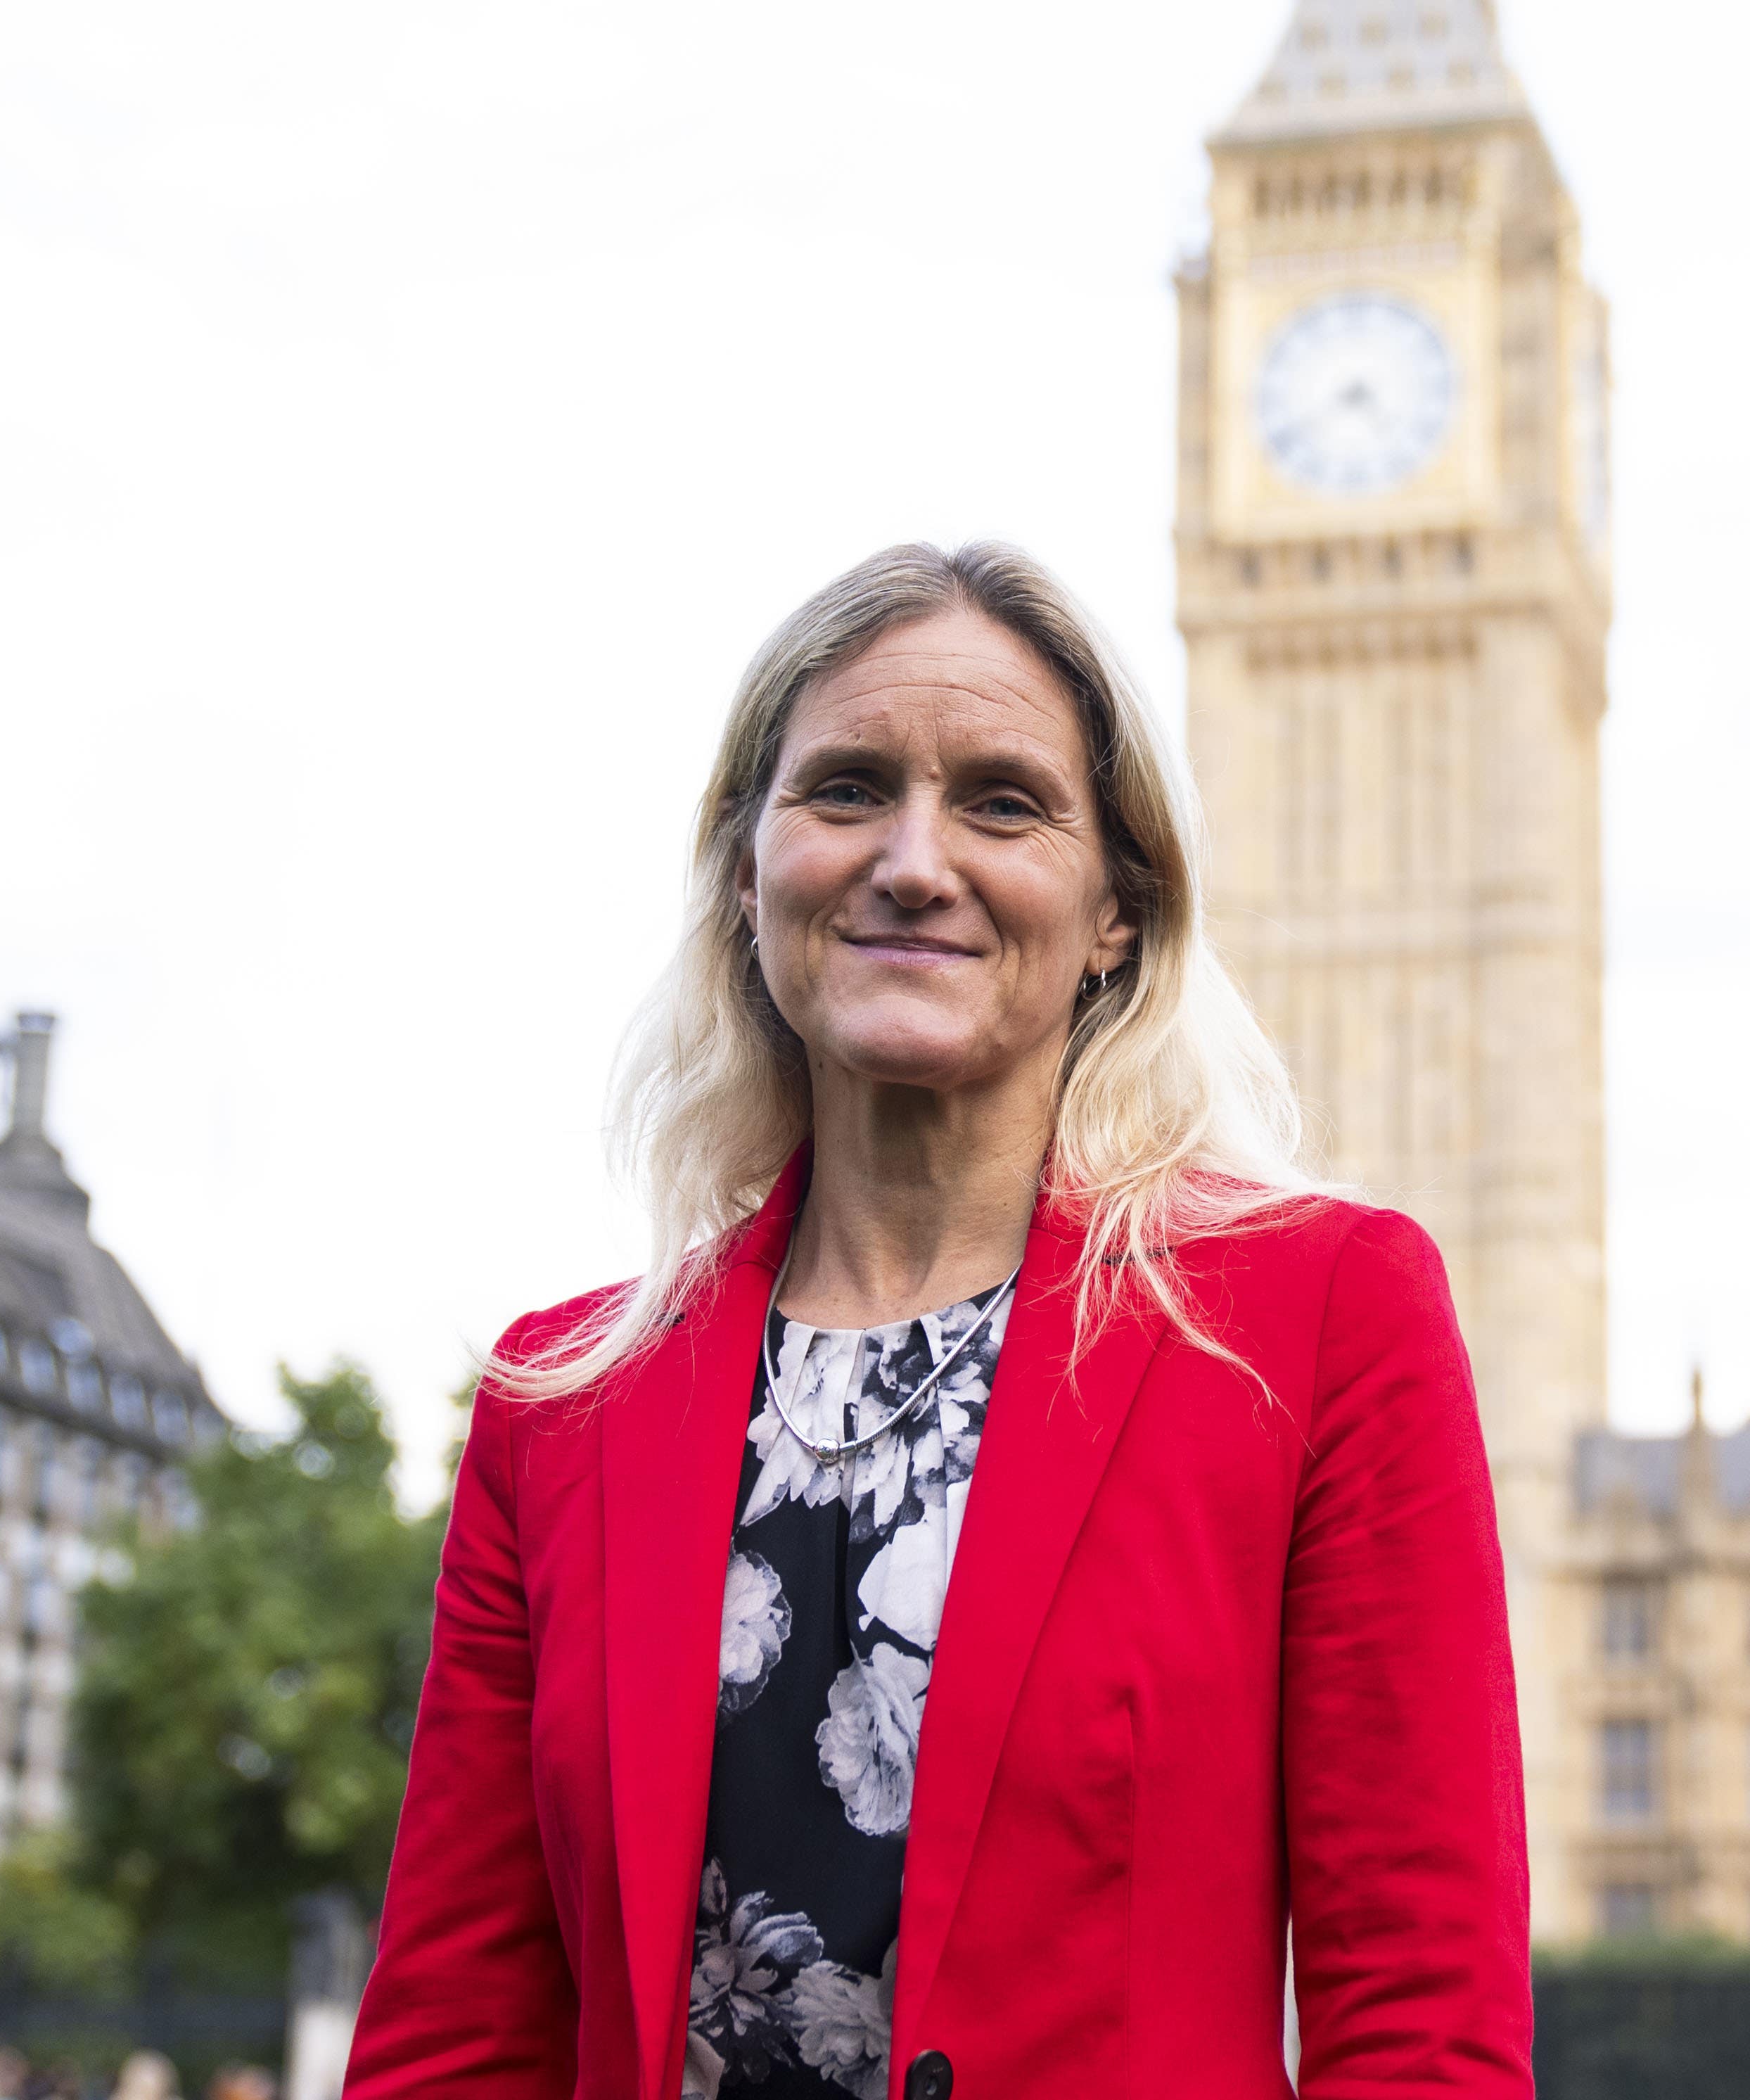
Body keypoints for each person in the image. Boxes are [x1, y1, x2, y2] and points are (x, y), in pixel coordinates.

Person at [345, 542, 1529, 2098]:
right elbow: (456, 2034)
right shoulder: (557, 1400)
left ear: (1119, 908)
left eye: (1001, 800)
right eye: (844, 789)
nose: (914, 856)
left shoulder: (1315, 1322)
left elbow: (1419, 2021)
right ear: (745, 872)